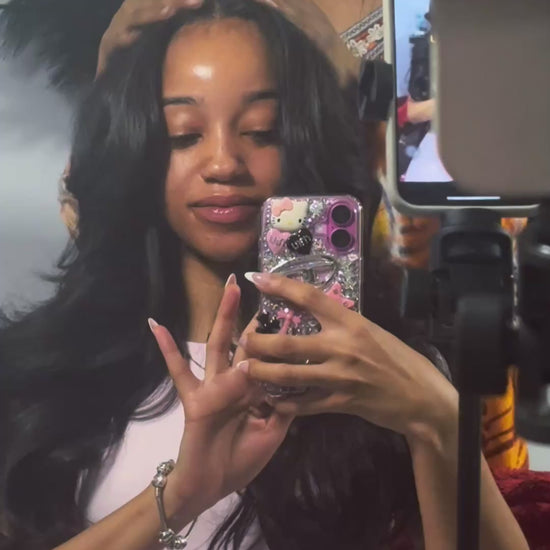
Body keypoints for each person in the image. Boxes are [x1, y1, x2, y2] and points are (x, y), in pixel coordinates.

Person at [0, 2, 533, 550]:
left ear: (304, 141)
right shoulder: (40, 375)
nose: (224, 164)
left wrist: (440, 422)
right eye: (184, 135)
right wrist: (181, 495)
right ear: (137, 149)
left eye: (262, 131)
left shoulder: (385, 369)